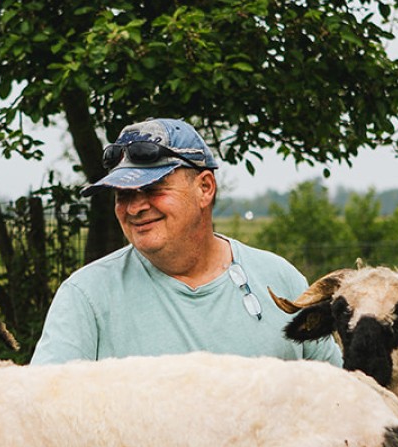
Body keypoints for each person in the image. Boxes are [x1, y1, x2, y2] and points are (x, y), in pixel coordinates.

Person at [30, 118, 343, 365]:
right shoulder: (87, 296)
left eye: (153, 188)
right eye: (123, 194)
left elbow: (338, 394)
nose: (135, 207)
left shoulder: (279, 278)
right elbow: (40, 404)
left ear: (205, 188)